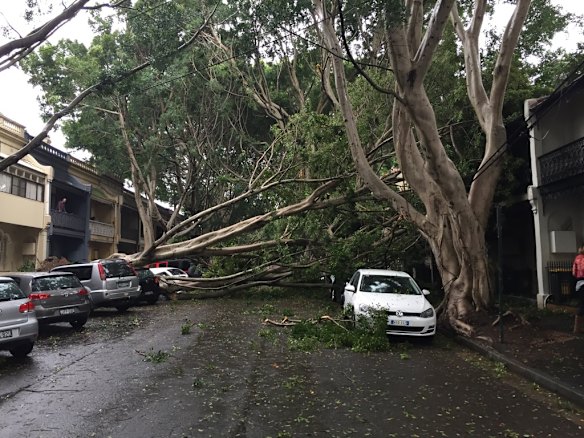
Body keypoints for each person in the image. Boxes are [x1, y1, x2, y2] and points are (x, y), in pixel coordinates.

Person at [571, 245, 584, 333]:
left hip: (579, 283)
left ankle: (577, 328)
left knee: (582, 303)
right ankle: (577, 329)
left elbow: (574, 273)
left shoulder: (577, 258)